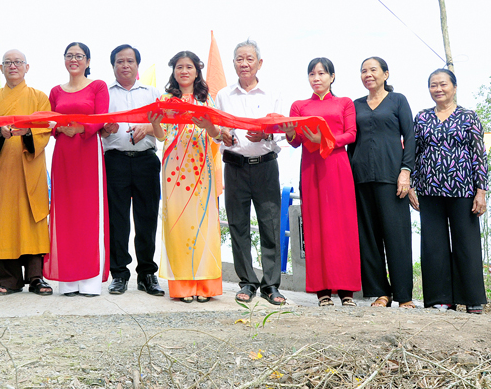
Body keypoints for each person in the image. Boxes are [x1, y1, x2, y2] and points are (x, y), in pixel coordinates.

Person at [408, 68, 488, 314]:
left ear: (454, 87)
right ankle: (440, 298)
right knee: (434, 245)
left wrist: (481, 191)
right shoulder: (422, 117)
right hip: (429, 189)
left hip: (463, 189)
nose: (438, 89)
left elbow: (479, 155)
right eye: (433, 85)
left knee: (466, 244)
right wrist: (411, 184)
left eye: (443, 84)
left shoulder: (468, 116)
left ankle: (472, 298)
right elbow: (414, 152)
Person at [283, 57, 360, 307]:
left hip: (337, 165)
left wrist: (325, 139)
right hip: (311, 167)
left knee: (342, 225)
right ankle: (322, 290)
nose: (316, 78)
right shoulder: (299, 106)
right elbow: (295, 141)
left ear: (332, 77)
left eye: (322, 73)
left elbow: (351, 134)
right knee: (315, 224)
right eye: (312, 74)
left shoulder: (344, 102)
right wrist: (290, 133)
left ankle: (347, 291)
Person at [216, 40, 286, 306]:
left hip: (265, 166)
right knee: (238, 225)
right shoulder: (223, 95)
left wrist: (265, 134)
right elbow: (218, 131)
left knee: (270, 225)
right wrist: (224, 135)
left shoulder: (272, 94)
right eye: (239, 59)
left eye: (249, 59)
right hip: (234, 167)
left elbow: (282, 132)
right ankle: (246, 281)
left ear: (259, 63)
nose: (244, 64)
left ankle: (271, 285)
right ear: (233, 63)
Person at [149, 51, 223, 303]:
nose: (184, 71)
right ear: (173, 71)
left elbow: (217, 134)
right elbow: (161, 135)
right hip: (174, 168)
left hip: (201, 165)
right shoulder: (165, 99)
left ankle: (205, 285)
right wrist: (155, 123)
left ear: (197, 70)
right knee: (177, 223)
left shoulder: (207, 100)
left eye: (189, 67)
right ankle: (182, 286)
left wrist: (208, 126)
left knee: (204, 222)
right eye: (179, 67)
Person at [348, 57, 415, 308]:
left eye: (373, 70)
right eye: (363, 71)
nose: (368, 74)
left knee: (397, 237)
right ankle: (380, 293)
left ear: (385, 74)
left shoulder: (398, 101)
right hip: (361, 178)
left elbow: (410, 137)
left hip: (392, 178)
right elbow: (350, 142)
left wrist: (406, 172)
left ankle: (404, 296)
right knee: (368, 238)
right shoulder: (355, 105)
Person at [0, 50, 53, 296]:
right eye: (8, 63)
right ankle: (7, 279)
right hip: (3, 167)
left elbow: (45, 130)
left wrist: (28, 132)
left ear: (27, 67)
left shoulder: (39, 97)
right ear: (1, 69)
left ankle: (36, 277)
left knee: (32, 218)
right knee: (5, 220)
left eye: (17, 62)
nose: (13, 66)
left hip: (30, 165)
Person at [45, 42, 110, 296]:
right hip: (63, 153)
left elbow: (101, 117)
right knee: (65, 212)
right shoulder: (55, 91)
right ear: (64, 60)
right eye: (69, 56)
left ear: (88, 61)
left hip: (88, 151)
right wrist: (59, 128)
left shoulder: (98, 86)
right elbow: (49, 122)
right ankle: (68, 279)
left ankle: (91, 279)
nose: (74, 60)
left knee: (89, 212)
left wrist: (81, 128)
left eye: (79, 56)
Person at [100, 45, 164, 296]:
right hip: (114, 161)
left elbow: (163, 128)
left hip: (146, 161)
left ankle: (147, 273)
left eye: (130, 61)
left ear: (137, 65)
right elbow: (98, 129)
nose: (125, 65)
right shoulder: (104, 94)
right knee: (117, 220)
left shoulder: (152, 93)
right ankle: (119, 274)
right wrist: (106, 129)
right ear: (113, 66)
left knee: (147, 219)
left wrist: (146, 127)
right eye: (120, 61)